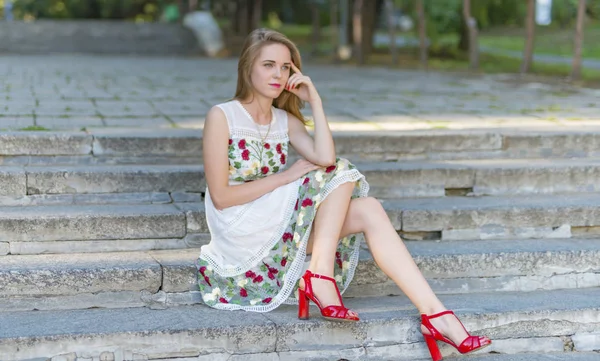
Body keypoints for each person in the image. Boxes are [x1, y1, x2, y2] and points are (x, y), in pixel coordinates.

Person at [196, 28, 491, 361]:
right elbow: (221, 197)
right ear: (247, 66)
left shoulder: (284, 120)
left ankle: (436, 314)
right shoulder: (222, 116)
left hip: (274, 218)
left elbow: (324, 158)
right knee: (339, 170)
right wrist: (289, 175)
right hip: (240, 225)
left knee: (369, 208)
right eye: (268, 65)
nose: (278, 74)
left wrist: (316, 101)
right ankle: (320, 277)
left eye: (285, 67)